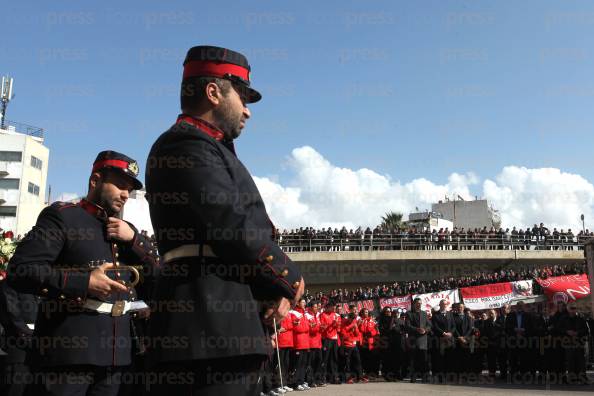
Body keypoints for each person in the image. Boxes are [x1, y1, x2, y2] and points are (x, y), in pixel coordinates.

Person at [145, 46, 304, 396]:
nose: (248, 111)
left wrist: (268, 291)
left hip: (223, 330)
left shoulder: (211, 149)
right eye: (243, 97)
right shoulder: (185, 144)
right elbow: (229, 225)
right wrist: (289, 277)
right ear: (214, 92)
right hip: (205, 330)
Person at [7, 151, 157, 396]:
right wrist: (84, 281)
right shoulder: (63, 217)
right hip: (68, 356)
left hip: (118, 358)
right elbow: (21, 270)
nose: (125, 194)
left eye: (129, 189)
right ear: (95, 181)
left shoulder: (127, 232)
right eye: (119, 185)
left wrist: (135, 241)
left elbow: (159, 274)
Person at [405, 298, 431, 383]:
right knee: (413, 360)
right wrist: (417, 329)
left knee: (424, 359)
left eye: (420, 303)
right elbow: (407, 326)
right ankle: (413, 377)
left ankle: (425, 377)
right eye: (417, 303)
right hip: (413, 340)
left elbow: (429, 325)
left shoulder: (424, 313)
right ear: (414, 304)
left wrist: (425, 330)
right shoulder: (409, 313)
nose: (419, 304)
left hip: (423, 340)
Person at [430, 300, 454, 383]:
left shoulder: (450, 314)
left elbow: (453, 326)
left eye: (445, 304)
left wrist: (450, 333)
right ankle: (440, 377)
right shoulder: (435, 315)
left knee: (449, 358)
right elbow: (435, 326)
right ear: (439, 305)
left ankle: (448, 376)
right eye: (442, 304)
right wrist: (443, 333)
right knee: (440, 358)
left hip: (449, 339)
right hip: (439, 339)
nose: (444, 305)